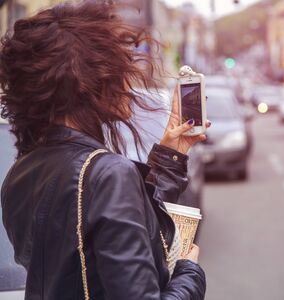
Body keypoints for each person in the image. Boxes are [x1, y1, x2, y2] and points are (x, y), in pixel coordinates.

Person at [0, 1, 207, 299]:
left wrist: (169, 158)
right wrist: (189, 273)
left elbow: (97, 240)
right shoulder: (108, 174)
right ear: (93, 83)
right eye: (120, 67)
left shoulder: (20, 173)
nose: (128, 82)